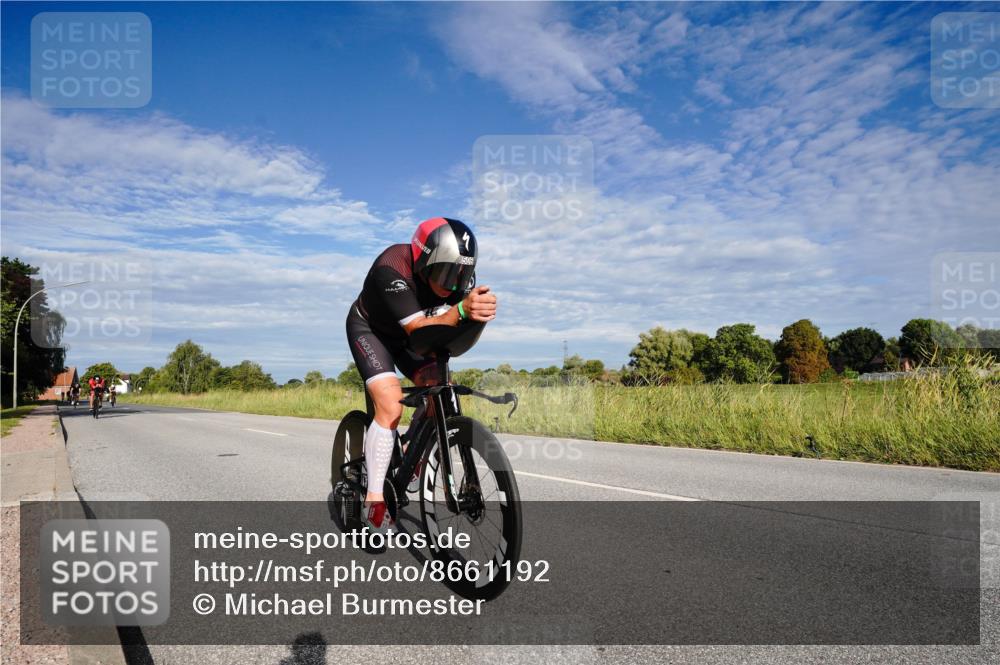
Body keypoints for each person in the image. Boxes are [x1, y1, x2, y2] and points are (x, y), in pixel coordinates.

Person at [346, 217, 496, 533]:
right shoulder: (392, 267)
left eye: (461, 274)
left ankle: (407, 455)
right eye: (444, 273)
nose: (452, 284)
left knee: (441, 388)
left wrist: (477, 315)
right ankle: (375, 503)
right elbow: (418, 327)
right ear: (422, 260)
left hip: (411, 339)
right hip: (372, 332)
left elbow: (451, 330)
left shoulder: (458, 280)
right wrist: (464, 311)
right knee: (391, 406)